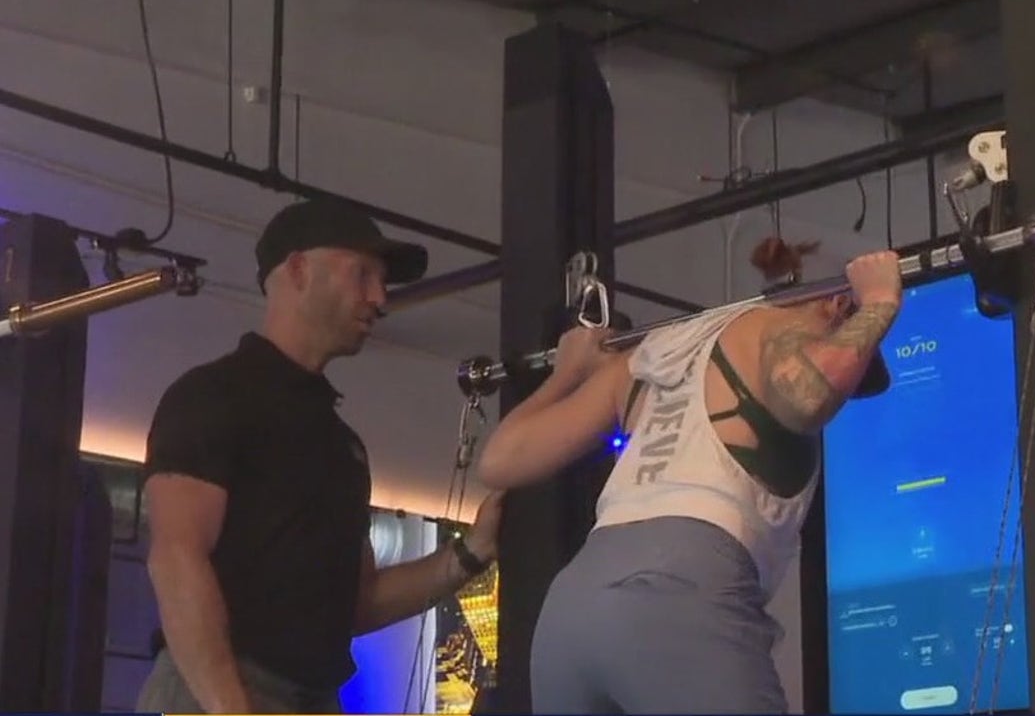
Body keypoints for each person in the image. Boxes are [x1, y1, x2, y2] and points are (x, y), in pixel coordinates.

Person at [475, 236, 903, 714]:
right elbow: (808, 396)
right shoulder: (778, 329)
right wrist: (880, 303)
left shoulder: (646, 357)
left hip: (571, 609)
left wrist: (567, 373)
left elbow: (501, 459)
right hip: (680, 590)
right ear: (836, 304)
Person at [136, 198, 504, 714]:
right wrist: (229, 707)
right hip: (219, 688)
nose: (379, 297)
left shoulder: (340, 444)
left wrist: (472, 551)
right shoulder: (212, 396)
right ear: (298, 270)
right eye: (363, 274)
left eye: (381, 281)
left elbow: (358, 602)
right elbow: (176, 559)